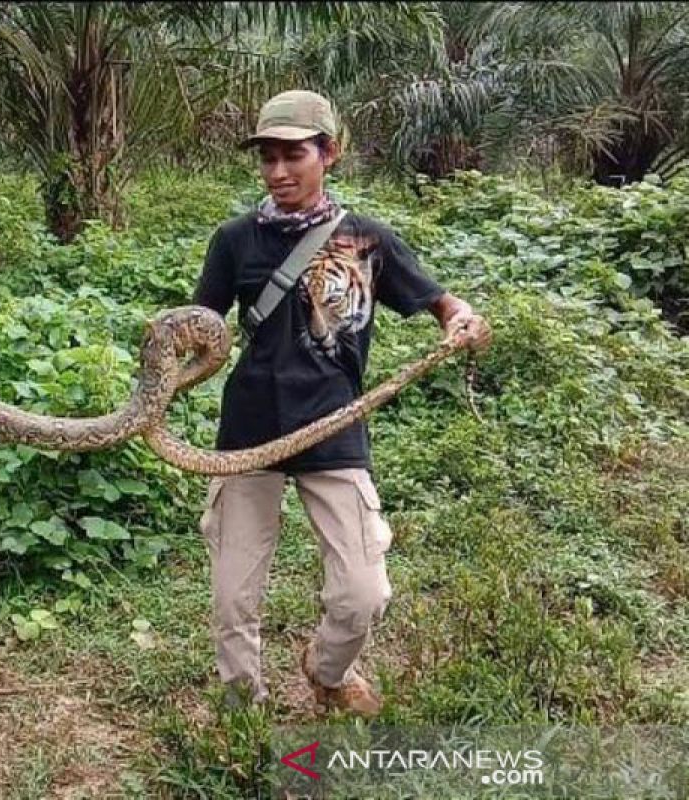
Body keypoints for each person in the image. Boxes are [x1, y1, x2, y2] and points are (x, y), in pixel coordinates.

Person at [192, 90, 492, 716]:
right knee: (232, 596)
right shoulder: (233, 240)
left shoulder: (368, 239)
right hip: (248, 432)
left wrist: (462, 318)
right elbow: (201, 326)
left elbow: (440, 303)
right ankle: (242, 711)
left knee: (362, 591)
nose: (278, 172)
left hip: (334, 429)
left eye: (294, 155)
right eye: (268, 157)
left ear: (329, 153)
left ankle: (328, 670)